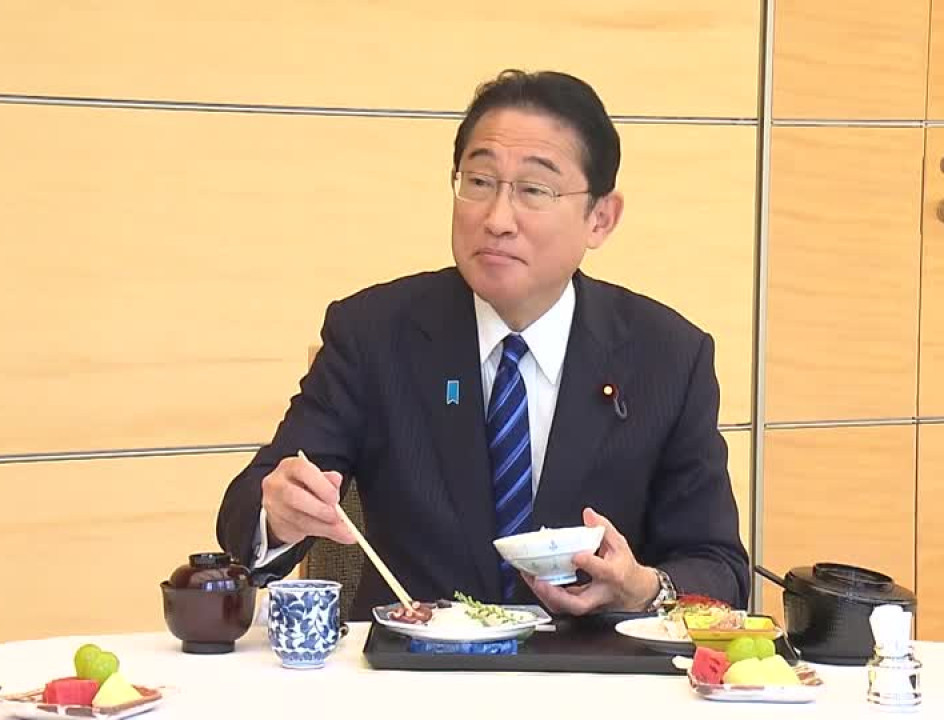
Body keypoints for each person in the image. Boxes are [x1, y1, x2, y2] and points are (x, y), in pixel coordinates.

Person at [216, 69, 749, 620]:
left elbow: (719, 568)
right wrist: (276, 514)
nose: (496, 219)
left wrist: (643, 587)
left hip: (590, 684)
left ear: (601, 218)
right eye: (478, 181)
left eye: (534, 190)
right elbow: (248, 511)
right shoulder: (374, 333)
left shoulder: (668, 357)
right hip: (412, 681)